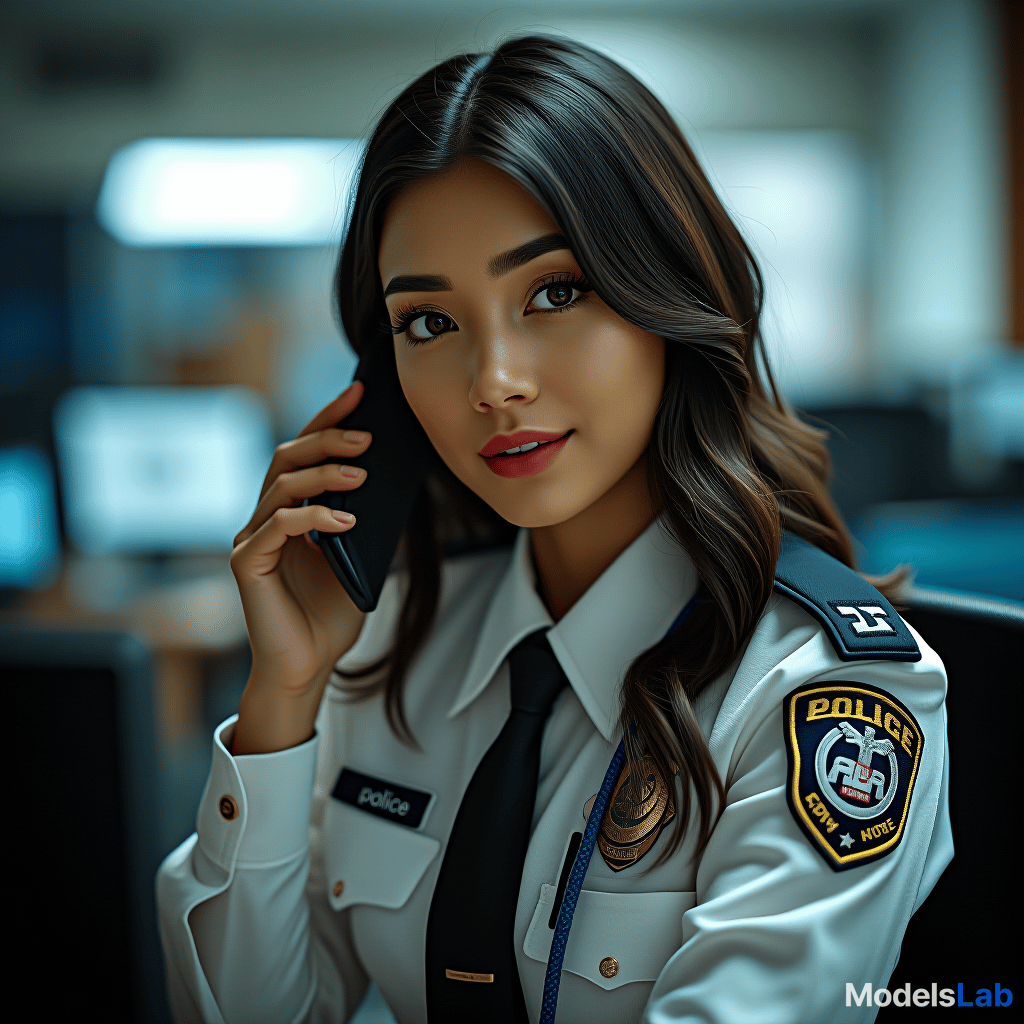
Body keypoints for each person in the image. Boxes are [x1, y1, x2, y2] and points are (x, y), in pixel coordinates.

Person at [156, 36, 951, 1024]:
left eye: (556, 292)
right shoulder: (391, 650)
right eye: (430, 324)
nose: (493, 382)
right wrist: (284, 694)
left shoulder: (819, 694)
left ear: (668, 296)